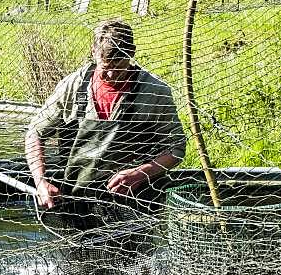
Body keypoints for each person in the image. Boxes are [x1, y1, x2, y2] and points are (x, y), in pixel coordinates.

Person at [26, 20, 187, 225]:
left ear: (132, 54)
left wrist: (139, 174)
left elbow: (176, 149)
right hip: (76, 205)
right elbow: (35, 133)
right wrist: (41, 182)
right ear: (93, 52)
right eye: (106, 67)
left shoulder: (155, 92)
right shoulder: (73, 86)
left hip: (134, 207)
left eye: (120, 68)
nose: (112, 75)